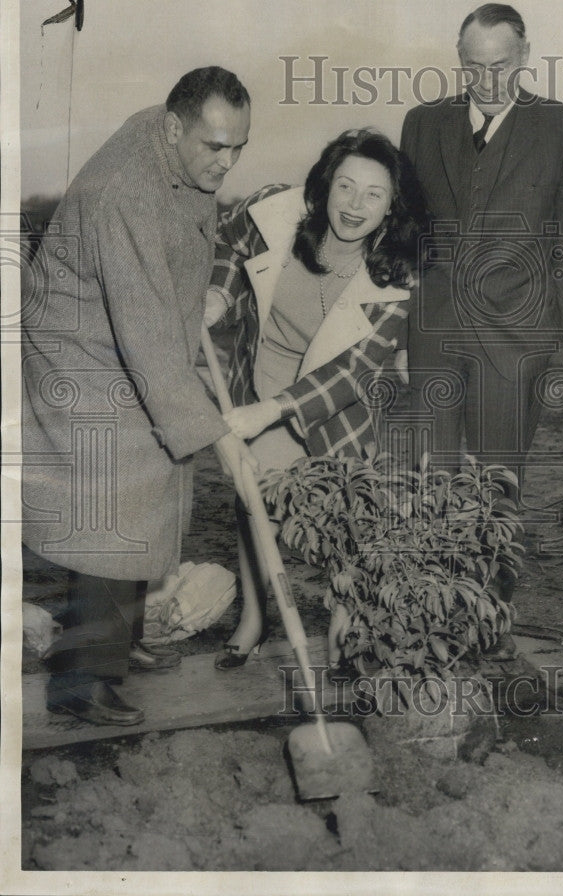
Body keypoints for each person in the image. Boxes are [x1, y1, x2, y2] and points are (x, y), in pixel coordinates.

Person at [22, 67, 257, 726]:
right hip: (79, 348)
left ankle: (116, 641)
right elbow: (149, 348)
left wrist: (200, 296)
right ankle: (80, 680)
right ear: (174, 127)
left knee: (148, 481)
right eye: (215, 145)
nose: (227, 160)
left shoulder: (173, 146)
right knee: (113, 494)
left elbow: (171, 256)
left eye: (238, 145)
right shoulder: (124, 193)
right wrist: (221, 441)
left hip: (119, 327)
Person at [400, 3, 563, 654]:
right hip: (433, 333)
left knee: (497, 482)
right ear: (459, 60)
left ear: (525, 53)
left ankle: (487, 626)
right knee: (434, 480)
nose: (486, 79)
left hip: (518, 338)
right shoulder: (420, 125)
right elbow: (406, 228)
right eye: (472, 66)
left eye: (500, 65)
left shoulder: (562, 128)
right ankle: (433, 624)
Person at [203, 129, 426, 670]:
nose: (355, 205)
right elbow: (229, 241)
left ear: (391, 205)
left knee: (345, 527)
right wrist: (218, 292)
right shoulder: (272, 212)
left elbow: (354, 371)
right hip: (259, 384)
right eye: (345, 186)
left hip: (335, 412)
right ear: (326, 185)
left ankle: (343, 634)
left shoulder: (397, 279)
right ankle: (254, 621)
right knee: (255, 508)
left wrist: (274, 410)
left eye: (373, 194)